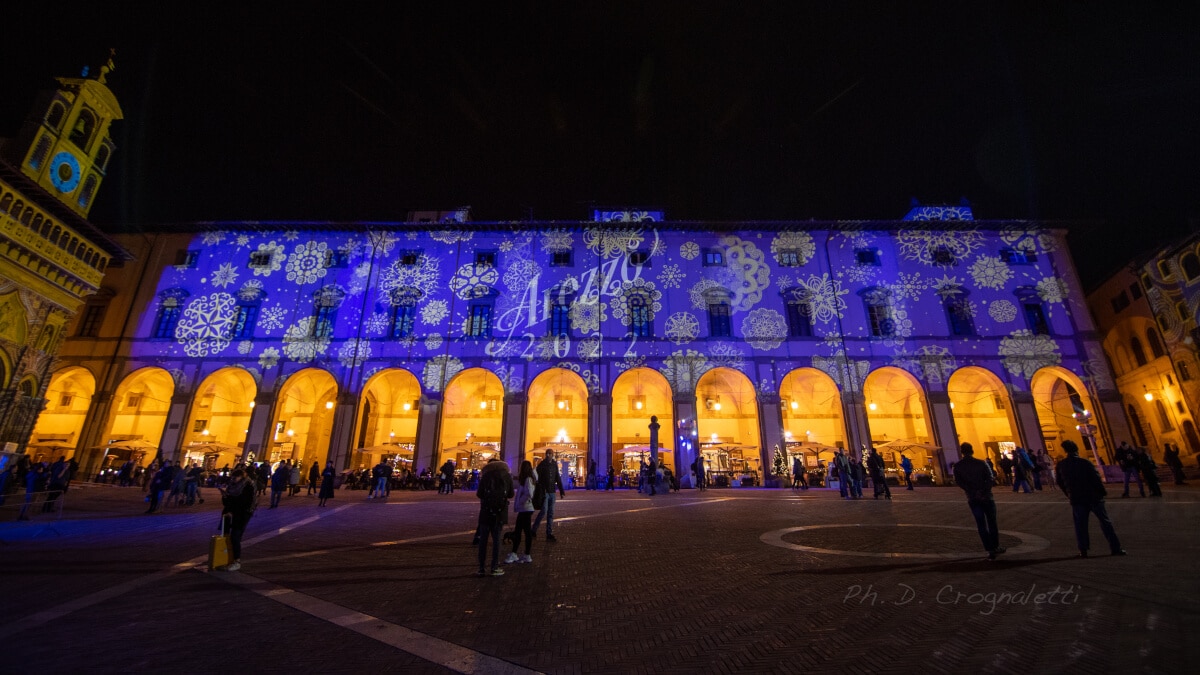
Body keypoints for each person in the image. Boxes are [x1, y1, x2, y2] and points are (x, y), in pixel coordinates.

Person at [1055, 439, 1126, 558]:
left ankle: (1083, 550)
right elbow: (1096, 478)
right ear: (1076, 449)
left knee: (1080, 525)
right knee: (1105, 522)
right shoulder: (1085, 462)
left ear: (1065, 450)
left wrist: (1069, 494)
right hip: (1093, 497)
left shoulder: (1061, 465)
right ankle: (1116, 548)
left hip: (1077, 498)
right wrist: (1102, 493)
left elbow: (1060, 482)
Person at [953, 442, 1005, 560]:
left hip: (972, 498)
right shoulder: (981, 463)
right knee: (992, 522)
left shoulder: (958, 466)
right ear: (972, 450)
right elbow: (990, 478)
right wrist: (983, 491)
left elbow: (959, 482)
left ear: (962, 452)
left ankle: (989, 548)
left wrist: (972, 491)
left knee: (981, 524)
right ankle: (995, 546)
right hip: (986, 497)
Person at [475, 456, 513, 576]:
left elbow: (479, 494)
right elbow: (511, 494)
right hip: (500, 512)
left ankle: (481, 568)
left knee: (483, 540)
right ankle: (495, 567)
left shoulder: (486, 475)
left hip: (486, 511)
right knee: (497, 540)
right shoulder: (506, 475)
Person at [219, 468, 257, 572]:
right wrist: (225, 496)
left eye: (235, 477)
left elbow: (245, 503)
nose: (233, 479)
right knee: (226, 536)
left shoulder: (248, 486)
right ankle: (225, 559)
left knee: (235, 536)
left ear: (242, 477)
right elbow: (227, 502)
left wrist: (231, 503)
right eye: (232, 477)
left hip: (242, 514)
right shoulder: (232, 485)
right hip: (229, 513)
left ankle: (236, 561)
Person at [504, 460, 537, 564]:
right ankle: (525, 554)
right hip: (526, 508)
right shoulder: (529, 479)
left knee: (519, 532)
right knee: (525, 532)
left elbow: (529, 494)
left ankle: (516, 553)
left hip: (525, 509)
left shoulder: (527, 479)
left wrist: (520, 502)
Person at [532, 450, 566, 541]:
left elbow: (557, 477)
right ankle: (534, 529)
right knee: (544, 511)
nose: (548, 455)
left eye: (550, 454)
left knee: (551, 513)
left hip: (552, 491)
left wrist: (561, 490)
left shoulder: (554, 464)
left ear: (552, 455)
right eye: (547, 454)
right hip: (545, 492)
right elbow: (537, 476)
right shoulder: (542, 464)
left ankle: (549, 533)